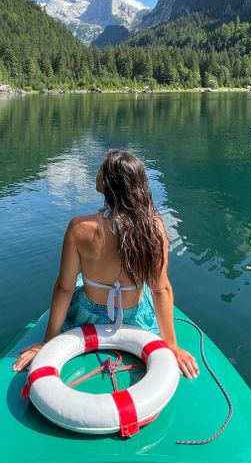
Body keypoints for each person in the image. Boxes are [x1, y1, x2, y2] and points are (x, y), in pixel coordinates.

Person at [13, 149, 199, 378]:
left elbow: (65, 288)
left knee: (79, 279)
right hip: (135, 319)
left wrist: (48, 341)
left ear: (111, 182)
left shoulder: (79, 228)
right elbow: (160, 289)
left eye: (101, 170)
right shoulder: (154, 228)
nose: (96, 173)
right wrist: (171, 346)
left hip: (87, 317)